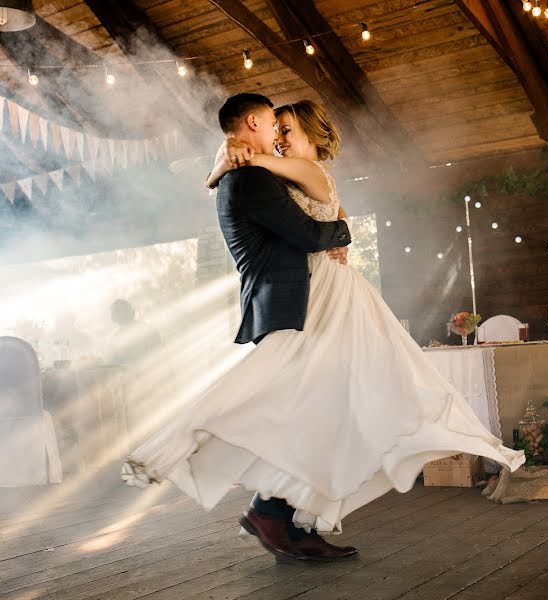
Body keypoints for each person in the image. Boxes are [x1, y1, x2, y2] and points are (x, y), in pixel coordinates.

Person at [122, 95, 525, 564]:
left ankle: (277, 510)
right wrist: (226, 164)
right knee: (312, 402)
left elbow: (293, 199)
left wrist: (229, 163)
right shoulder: (263, 171)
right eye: (277, 127)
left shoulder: (303, 171)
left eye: (288, 130)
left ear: (310, 136)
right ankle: (276, 509)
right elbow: (296, 214)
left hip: (330, 293)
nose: (279, 136)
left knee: (329, 403)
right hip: (316, 294)